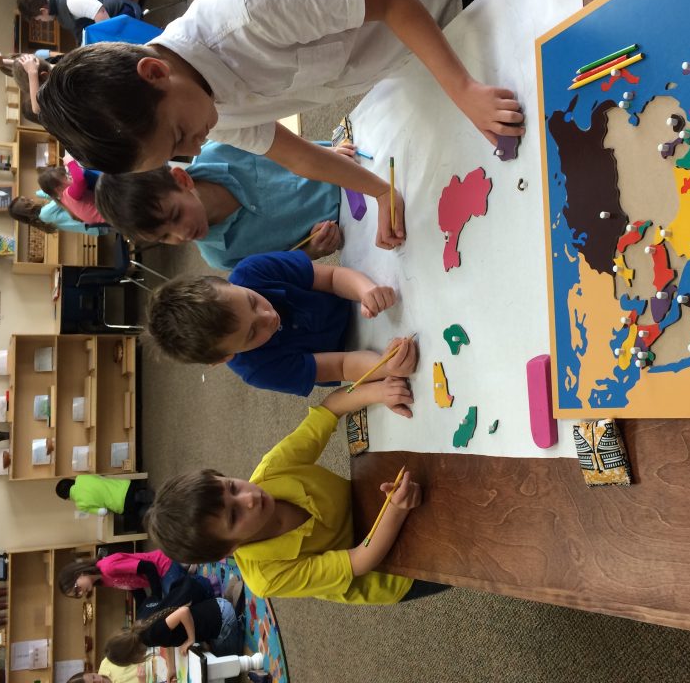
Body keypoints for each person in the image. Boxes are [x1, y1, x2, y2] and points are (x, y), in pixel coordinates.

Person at [37, 0, 526, 248]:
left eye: (179, 136)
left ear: (156, 72)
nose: (195, 148)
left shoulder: (244, 13)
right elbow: (296, 156)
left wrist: (463, 91)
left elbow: (393, 1)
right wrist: (380, 192)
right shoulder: (202, 112)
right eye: (177, 154)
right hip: (390, 48)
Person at [145, 380, 449, 604]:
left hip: (376, 499)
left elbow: (329, 410)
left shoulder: (272, 469)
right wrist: (395, 510)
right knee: (458, 558)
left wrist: (379, 392)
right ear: (228, 551)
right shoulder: (266, 578)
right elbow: (360, 560)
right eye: (234, 515)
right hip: (391, 571)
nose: (249, 498)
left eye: (232, 487)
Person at [145, 250, 418, 397]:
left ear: (229, 283)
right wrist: (386, 366)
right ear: (226, 357)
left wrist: (366, 291)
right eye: (252, 333)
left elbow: (332, 277)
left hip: (349, 302)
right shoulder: (258, 370)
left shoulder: (252, 270)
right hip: (349, 353)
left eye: (252, 301)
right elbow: (342, 365)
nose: (268, 316)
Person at [94, 141, 353, 269]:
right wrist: (312, 250)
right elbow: (287, 262)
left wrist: (326, 154)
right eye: (164, 237)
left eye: (176, 215)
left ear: (182, 179)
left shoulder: (221, 149)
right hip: (351, 225)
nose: (181, 235)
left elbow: (289, 147)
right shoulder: (220, 257)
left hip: (347, 164)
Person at [103, 577, 245, 676]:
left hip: (221, 618)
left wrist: (190, 639)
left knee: (229, 661)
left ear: (131, 657)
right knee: (209, 648)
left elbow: (183, 612)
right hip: (213, 605)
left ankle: (234, 608)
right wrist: (171, 667)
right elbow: (166, 637)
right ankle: (228, 600)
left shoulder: (151, 635)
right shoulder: (141, 627)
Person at [56, 550, 211, 608]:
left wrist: (156, 598)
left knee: (179, 601)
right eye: (77, 595)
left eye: (76, 589)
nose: (81, 593)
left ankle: (203, 581)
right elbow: (135, 587)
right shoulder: (103, 580)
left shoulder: (108, 567)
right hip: (159, 576)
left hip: (163, 566)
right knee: (171, 604)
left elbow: (149, 567)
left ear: (78, 573)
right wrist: (144, 610)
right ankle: (187, 572)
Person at [17, 0, 143, 41]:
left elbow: (101, 13)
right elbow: (80, 32)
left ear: (43, 10)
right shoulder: (58, 13)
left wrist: (109, 49)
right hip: (111, 23)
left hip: (122, 15)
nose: (43, 22)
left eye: (39, 19)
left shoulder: (71, 0)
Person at [54, 475, 154, 529]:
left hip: (122, 504)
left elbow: (103, 511)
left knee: (136, 513)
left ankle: (151, 510)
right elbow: (100, 478)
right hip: (127, 486)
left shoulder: (80, 505)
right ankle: (146, 496)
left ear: (67, 498)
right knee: (138, 495)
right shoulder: (81, 477)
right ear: (70, 480)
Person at [38, 163, 105, 227]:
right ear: (59, 189)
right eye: (67, 178)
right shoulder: (68, 194)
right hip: (107, 212)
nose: (70, 177)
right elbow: (80, 180)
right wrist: (70, 162)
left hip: (106, 216)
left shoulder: (64, 200)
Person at [8, 194, 108, 235]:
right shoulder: (44, 214)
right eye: (25, 200)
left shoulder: (42, 216)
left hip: (93, 226)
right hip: (95, 222)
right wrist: (46, 192)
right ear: (26, 207)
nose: (29, 198)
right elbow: (62, 196)